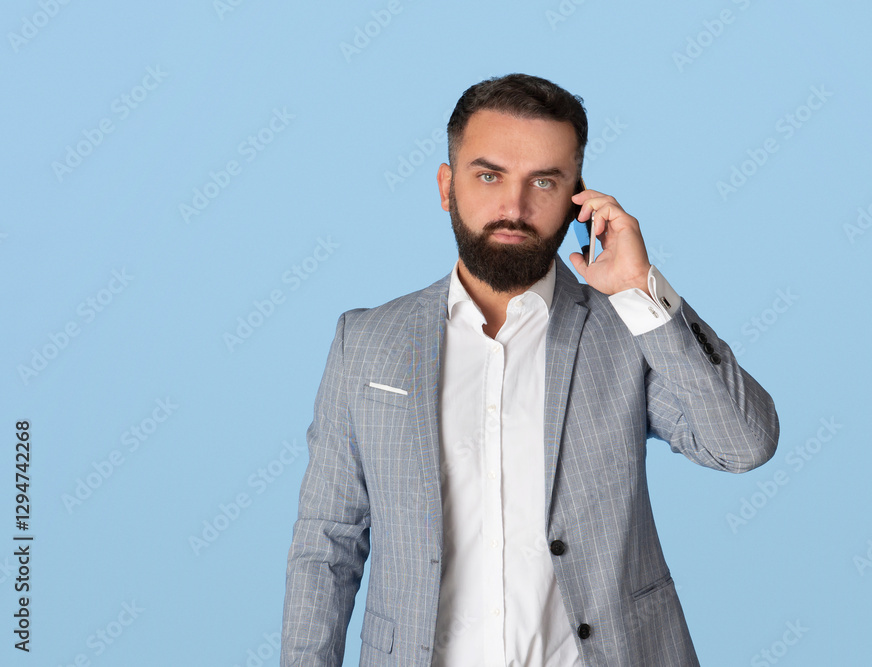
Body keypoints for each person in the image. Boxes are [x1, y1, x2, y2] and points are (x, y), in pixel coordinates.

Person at [281, 73, 779, 667]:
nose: (513, 208)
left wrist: (640, 292)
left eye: (543, 181)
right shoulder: (365, 342)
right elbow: (325, 544)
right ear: (447, 186)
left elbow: (742, 445)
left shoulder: (629, 330)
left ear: (578, 198)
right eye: (488, 175)